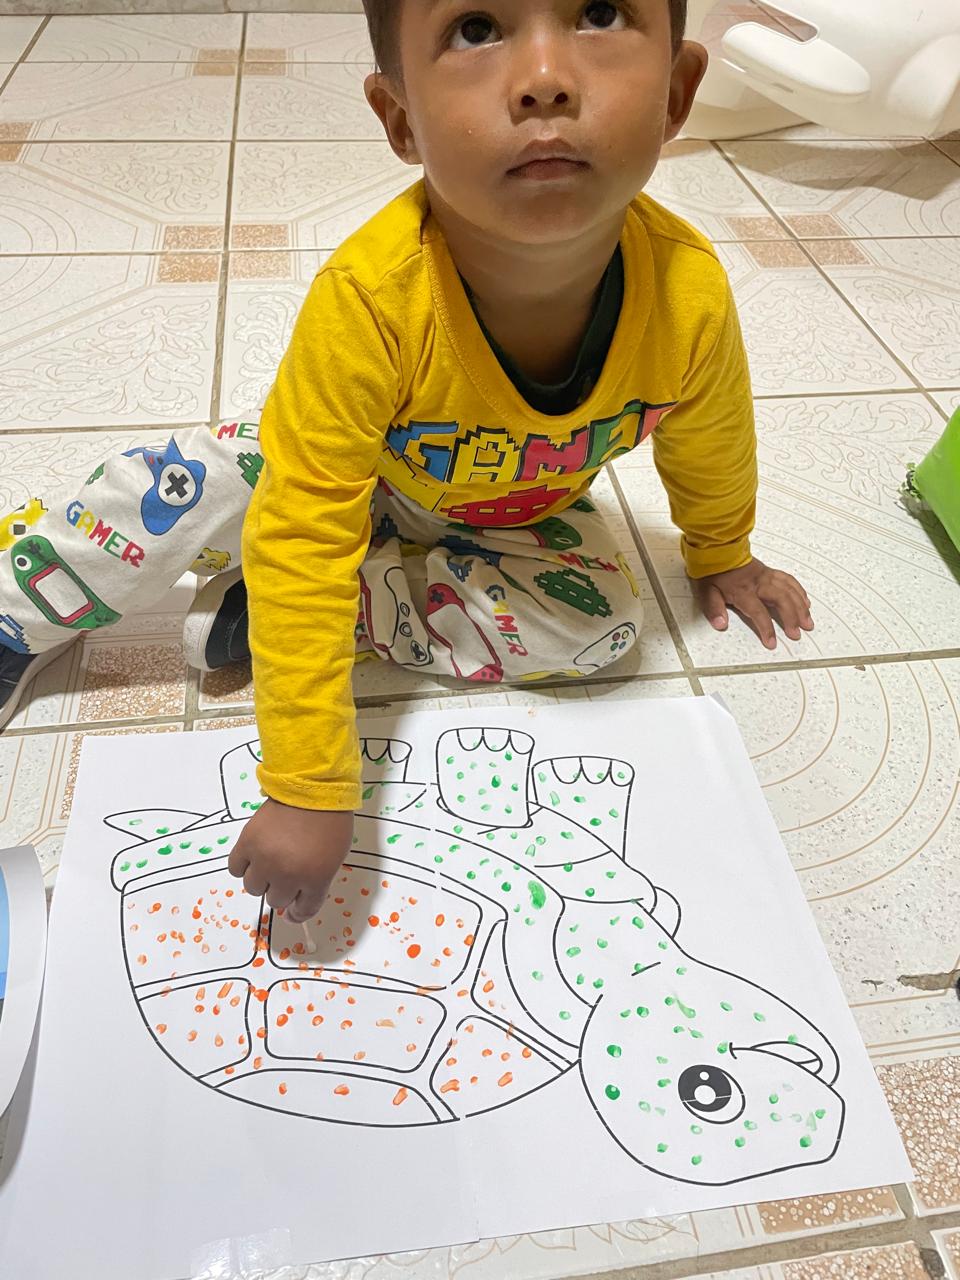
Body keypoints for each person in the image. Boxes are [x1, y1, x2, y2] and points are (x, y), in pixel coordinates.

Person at [0, 0, 813, 921]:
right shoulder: (371, 297)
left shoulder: (689, 291)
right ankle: (15, 611)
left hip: (506, 511)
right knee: (194, 484)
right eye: (477, 29)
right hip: (339, 478)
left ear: (676, 93)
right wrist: (310, 783)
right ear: (400, 120)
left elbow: (713, 434)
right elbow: (306, 524)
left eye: (597, 13)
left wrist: (722, 550)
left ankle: (292, 608)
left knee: (607, 631)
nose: (545, 79)